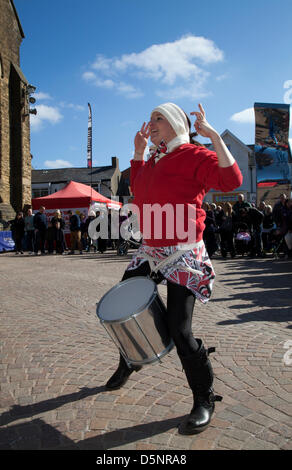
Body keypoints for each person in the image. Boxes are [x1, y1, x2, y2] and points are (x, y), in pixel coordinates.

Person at [103, 102, 243, 435]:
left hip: (183, 250)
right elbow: (138, 190)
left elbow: (231, 179)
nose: (151, 123)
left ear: (176, 124)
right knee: (124, 307)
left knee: (179, 330)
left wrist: (211, 137)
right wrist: (138, 154)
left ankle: (203, 399)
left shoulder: (195, 154)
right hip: (151, 249)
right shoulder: (153, 159)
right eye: (150, 118)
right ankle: (132, 357)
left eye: (158, 118)